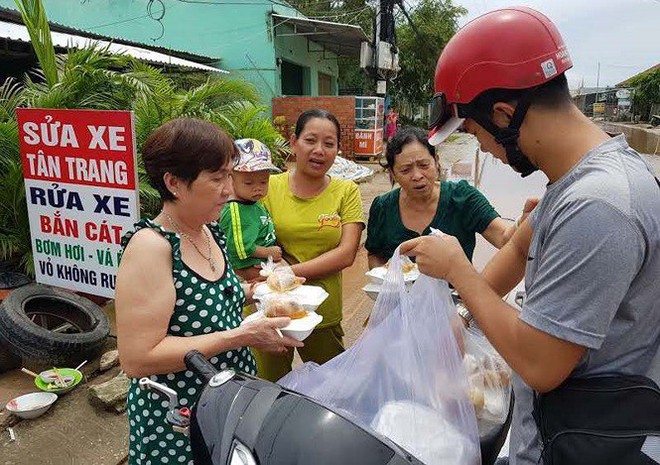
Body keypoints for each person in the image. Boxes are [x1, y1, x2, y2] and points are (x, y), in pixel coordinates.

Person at [400, 7, 660, 465]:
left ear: (504, 114)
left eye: (476, 131)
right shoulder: (578, 181)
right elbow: (521, 243)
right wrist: (460, 316)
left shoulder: (598, 204)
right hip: (559, 434)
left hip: (584, 444)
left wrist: (459, 271)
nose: (480, 145)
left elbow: (540, 365)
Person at [115, 118, 302, 465]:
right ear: (173, 183)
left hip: (225, 400)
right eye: (217, 178)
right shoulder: (152, 248)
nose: (229, 190)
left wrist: (266, 290)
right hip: (180, 415)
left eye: (230, 175)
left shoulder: (209, 231)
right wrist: (241, 336)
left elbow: (213, 297)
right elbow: (137, 357)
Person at [257, 109, 365, 382]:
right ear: (293, 143)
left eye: (329, 144)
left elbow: (346, 253)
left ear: (338, 150)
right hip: (271, 311)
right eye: (310, 140)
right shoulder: (267, 187)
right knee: (270, 389)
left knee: (331, 389)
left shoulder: (346, 191)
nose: (319, 150)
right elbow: (251, 241)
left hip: (321, 313)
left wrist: (287, 275)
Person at [366, 126, 534, 269]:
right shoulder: (382, 207)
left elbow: (503, 237)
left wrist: (526, 222)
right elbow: (374, 254)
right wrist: (386, 282)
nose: (417, 175)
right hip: (399, 305)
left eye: (424, 165)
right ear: (393, 173)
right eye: (405, 170)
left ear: (436, 162)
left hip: (455, 303)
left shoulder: (463, 198)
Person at [220, 138, 282, 281]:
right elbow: (239, 248)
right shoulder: (235, 210)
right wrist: (268, 252)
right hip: (248, 270)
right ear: (231, 179)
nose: (258, 188)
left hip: (264, 264)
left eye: (264, 181)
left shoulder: (252, 202)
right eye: (248, 183)